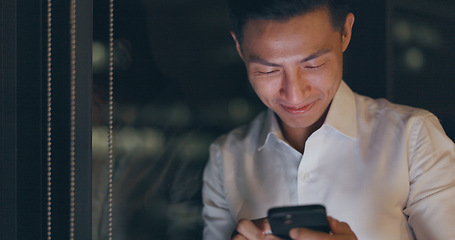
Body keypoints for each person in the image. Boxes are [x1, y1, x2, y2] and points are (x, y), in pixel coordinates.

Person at [202, 0, 455, 239]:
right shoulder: (226, 158)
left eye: (313, 65)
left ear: (345, 32)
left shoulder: (413, 139)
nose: (294, 94)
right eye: (268, 70)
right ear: (239, 47)